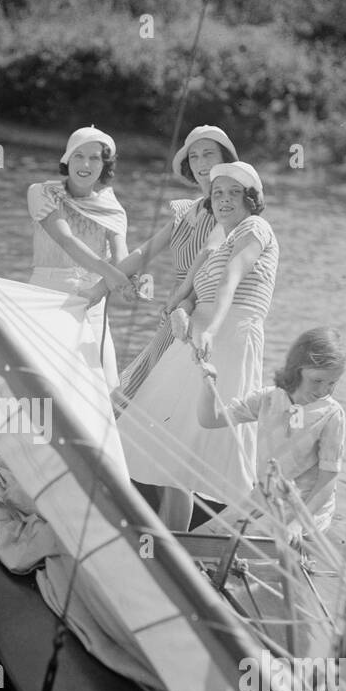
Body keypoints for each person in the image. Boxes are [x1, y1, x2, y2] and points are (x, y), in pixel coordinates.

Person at [117, 161, 279, 531]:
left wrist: (208, 330)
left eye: (233, 193)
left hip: (225, 336)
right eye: (217, 193)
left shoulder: (255, 228)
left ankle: (178, 546)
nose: (222, 200)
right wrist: (183, 313)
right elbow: (197, 293)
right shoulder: (222, 238)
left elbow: (232, 279)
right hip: (197, 336)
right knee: (164, 443)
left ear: (251, 199)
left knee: (186, 446)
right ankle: (167, 541)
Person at [87, 125, 239, 410]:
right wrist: (101, 287)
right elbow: (144, 252)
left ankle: (98, 446)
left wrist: (179, 299)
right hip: (175, 311)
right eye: (194, 157)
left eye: (209, 154)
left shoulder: (230, 207)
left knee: (149, 393)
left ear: (226, 160)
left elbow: (210, 252)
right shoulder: (185, 211)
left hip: (200, 311)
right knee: (138, 388)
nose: (201, 163)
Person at [194, 328, 346, 544]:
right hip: (264, 497)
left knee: (238, 544)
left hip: (303, 509)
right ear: (298, 369)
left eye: (332, 383)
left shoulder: (331, 414)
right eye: (317, 380)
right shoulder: (268, 398)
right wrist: (208, 388)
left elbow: (327, 480)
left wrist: (297, 523)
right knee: (203, 536)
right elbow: (210, 420)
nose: (324, 390)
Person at [27, 127, 129, 388]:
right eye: (78, 156)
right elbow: (65, 239)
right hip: (47, 296)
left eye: (95, 158)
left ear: (104, 165)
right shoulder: (41, 192)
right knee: (42, 380)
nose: (85, 164)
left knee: (108, 386)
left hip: (92, 301)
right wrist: (114, 275)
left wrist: (114, 283)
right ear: (67, 160)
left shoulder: (113, 208)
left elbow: (122, 258)